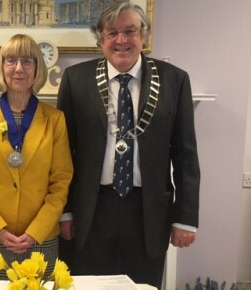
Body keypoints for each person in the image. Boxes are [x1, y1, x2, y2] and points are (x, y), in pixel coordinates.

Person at [56, 1, 200, 288]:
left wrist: (185, 218)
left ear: (143, 36)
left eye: (130, 31)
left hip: (148, 212)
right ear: (101, 39)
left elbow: (185, 155)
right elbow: (63, 155)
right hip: (92, 211)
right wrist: (66, 210)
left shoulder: (174, 81)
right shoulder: (76, 80)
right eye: (112, 33)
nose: (121, 40)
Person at [0, 34, 73, 280]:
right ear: (2, 67)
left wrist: (36, 231)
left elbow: (61, 182)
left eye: (27, 61)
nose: (19, 69)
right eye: (11, 60)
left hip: (39, 240)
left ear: (37, 69)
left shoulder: (55, 120)